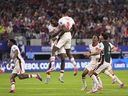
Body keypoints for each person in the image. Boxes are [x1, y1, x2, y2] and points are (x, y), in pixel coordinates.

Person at [47, 8, 78, 76]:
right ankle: (75, 65)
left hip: (64, 35)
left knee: (54, 49)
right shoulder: (71, 19)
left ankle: (52, 66)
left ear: (62, 13)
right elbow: (75, 29)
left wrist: (57, 37)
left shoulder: (61, 20)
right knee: (68, 52)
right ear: (67, 12)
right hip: (69, 35)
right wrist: (72, 36)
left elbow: (63, 29)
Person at [45, 16, 66, 83]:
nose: (52, 23)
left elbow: (64, 31)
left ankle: (61, 77)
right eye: (51, 22)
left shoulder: (60, 24)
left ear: (56, 21)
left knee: (63, 58)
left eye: (53, 21)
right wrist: (60, 31)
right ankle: (48, 77)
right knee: (51, 62)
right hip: (54, 43)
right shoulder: (50, 27)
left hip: (60, 42)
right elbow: (52, 36)